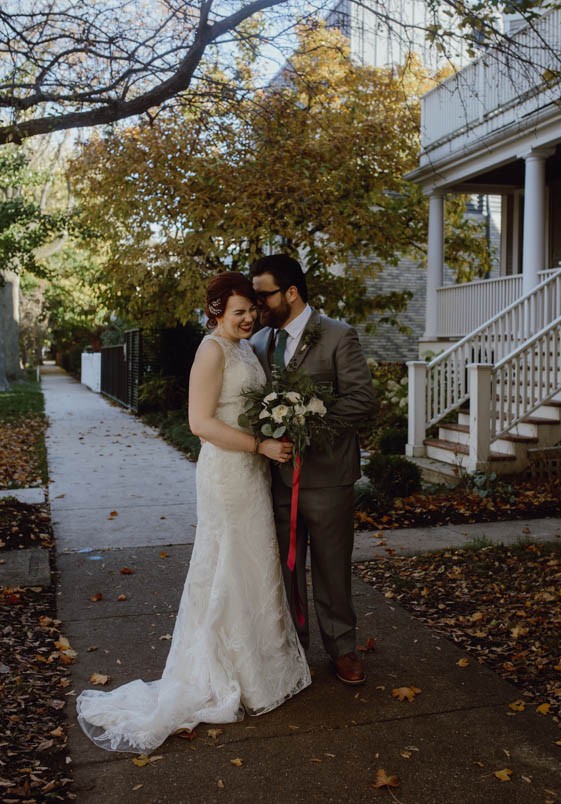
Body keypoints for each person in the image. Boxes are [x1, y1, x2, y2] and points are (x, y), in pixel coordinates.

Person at [76, 272, 311, 754]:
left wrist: (275, 430)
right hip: (226, 472)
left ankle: (260, 669)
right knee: (227, 564)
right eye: (238, 311)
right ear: (216, 312)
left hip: (251, 470)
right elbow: (200, 423)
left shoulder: (247, 348)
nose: (248, 318)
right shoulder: (212, 350)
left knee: (251, 563)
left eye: (252, 310)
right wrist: (260, 443)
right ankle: (224, 672)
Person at [250, 254, 377, 686]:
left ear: (290, 292)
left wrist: (306, 424)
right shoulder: (260, 343)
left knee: (332, 567)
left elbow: (361, 401)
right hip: (276, 480)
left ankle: (342, 649)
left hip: (328, 478)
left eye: (264, 294)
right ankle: (293, 650)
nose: (258, 304)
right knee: (283, 571)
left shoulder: (339, 336)